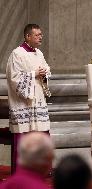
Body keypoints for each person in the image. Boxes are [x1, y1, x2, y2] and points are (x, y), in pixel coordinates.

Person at [6, 24, 51, 173]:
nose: (40, 37)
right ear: (28, 37)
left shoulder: (39, 53)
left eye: (41, 34)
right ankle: (22, 172)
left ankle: (41, 170)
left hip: (37, 100)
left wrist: (45, 73)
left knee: (40, 133)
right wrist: (33, 74)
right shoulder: (17, 54)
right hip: (23, 104)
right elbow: (14, 79)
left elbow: (46, 70)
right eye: (37, 35)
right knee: (24, 135)